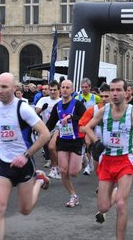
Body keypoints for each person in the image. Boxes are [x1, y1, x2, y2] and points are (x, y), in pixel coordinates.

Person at [83, 78, 133, 240]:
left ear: (127, 92)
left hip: (125, 161)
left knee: (121, 204)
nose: (114, 93)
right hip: (106, 161)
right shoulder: (103, 111)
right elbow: (87, 127)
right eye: (112, 90)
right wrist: (96, 141)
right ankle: (116, 191)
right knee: (104, 207)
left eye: (118, 90)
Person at [0, 73, 51, 240]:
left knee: (25, 210)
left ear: (14, 88)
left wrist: (26, 155)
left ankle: (39, 180)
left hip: (24, 164)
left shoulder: (22, 108)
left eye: (4, 87)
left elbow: (45, 134)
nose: (0, 90)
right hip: (3, 164)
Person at [46, 79, 86, 207]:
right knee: (63, 170)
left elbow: (86, 119)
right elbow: (51, 123)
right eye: (62, 87)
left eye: (67, 87)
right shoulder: (57, 106)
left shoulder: (78, 105)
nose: (64, 89)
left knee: (74, 172)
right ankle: (73, 195)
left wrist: (72, 117)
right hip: (63, 140)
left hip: (76, 140)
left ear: (72, 90)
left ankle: (83, 157)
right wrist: (41, 131)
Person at [78, 83, 111, 175]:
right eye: (101, 96)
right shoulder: (94, 109)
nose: (104, 99)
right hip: (98, 143)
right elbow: (81, 127)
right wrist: (89, 134)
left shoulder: (119, 109)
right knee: (99, 172)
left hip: (114, 145)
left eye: (106, 96)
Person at [35, 80, 61, 178]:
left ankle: (55, 168)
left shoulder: (61, 101)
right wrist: (42, 109)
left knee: (51, 147)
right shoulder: (43, 100)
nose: (53, 92)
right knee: (51, 149)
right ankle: (57, 167)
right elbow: (35, 113)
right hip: (46, 127)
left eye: (55, 90)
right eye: (51, 90)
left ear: (59, 90)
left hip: (59, 127)